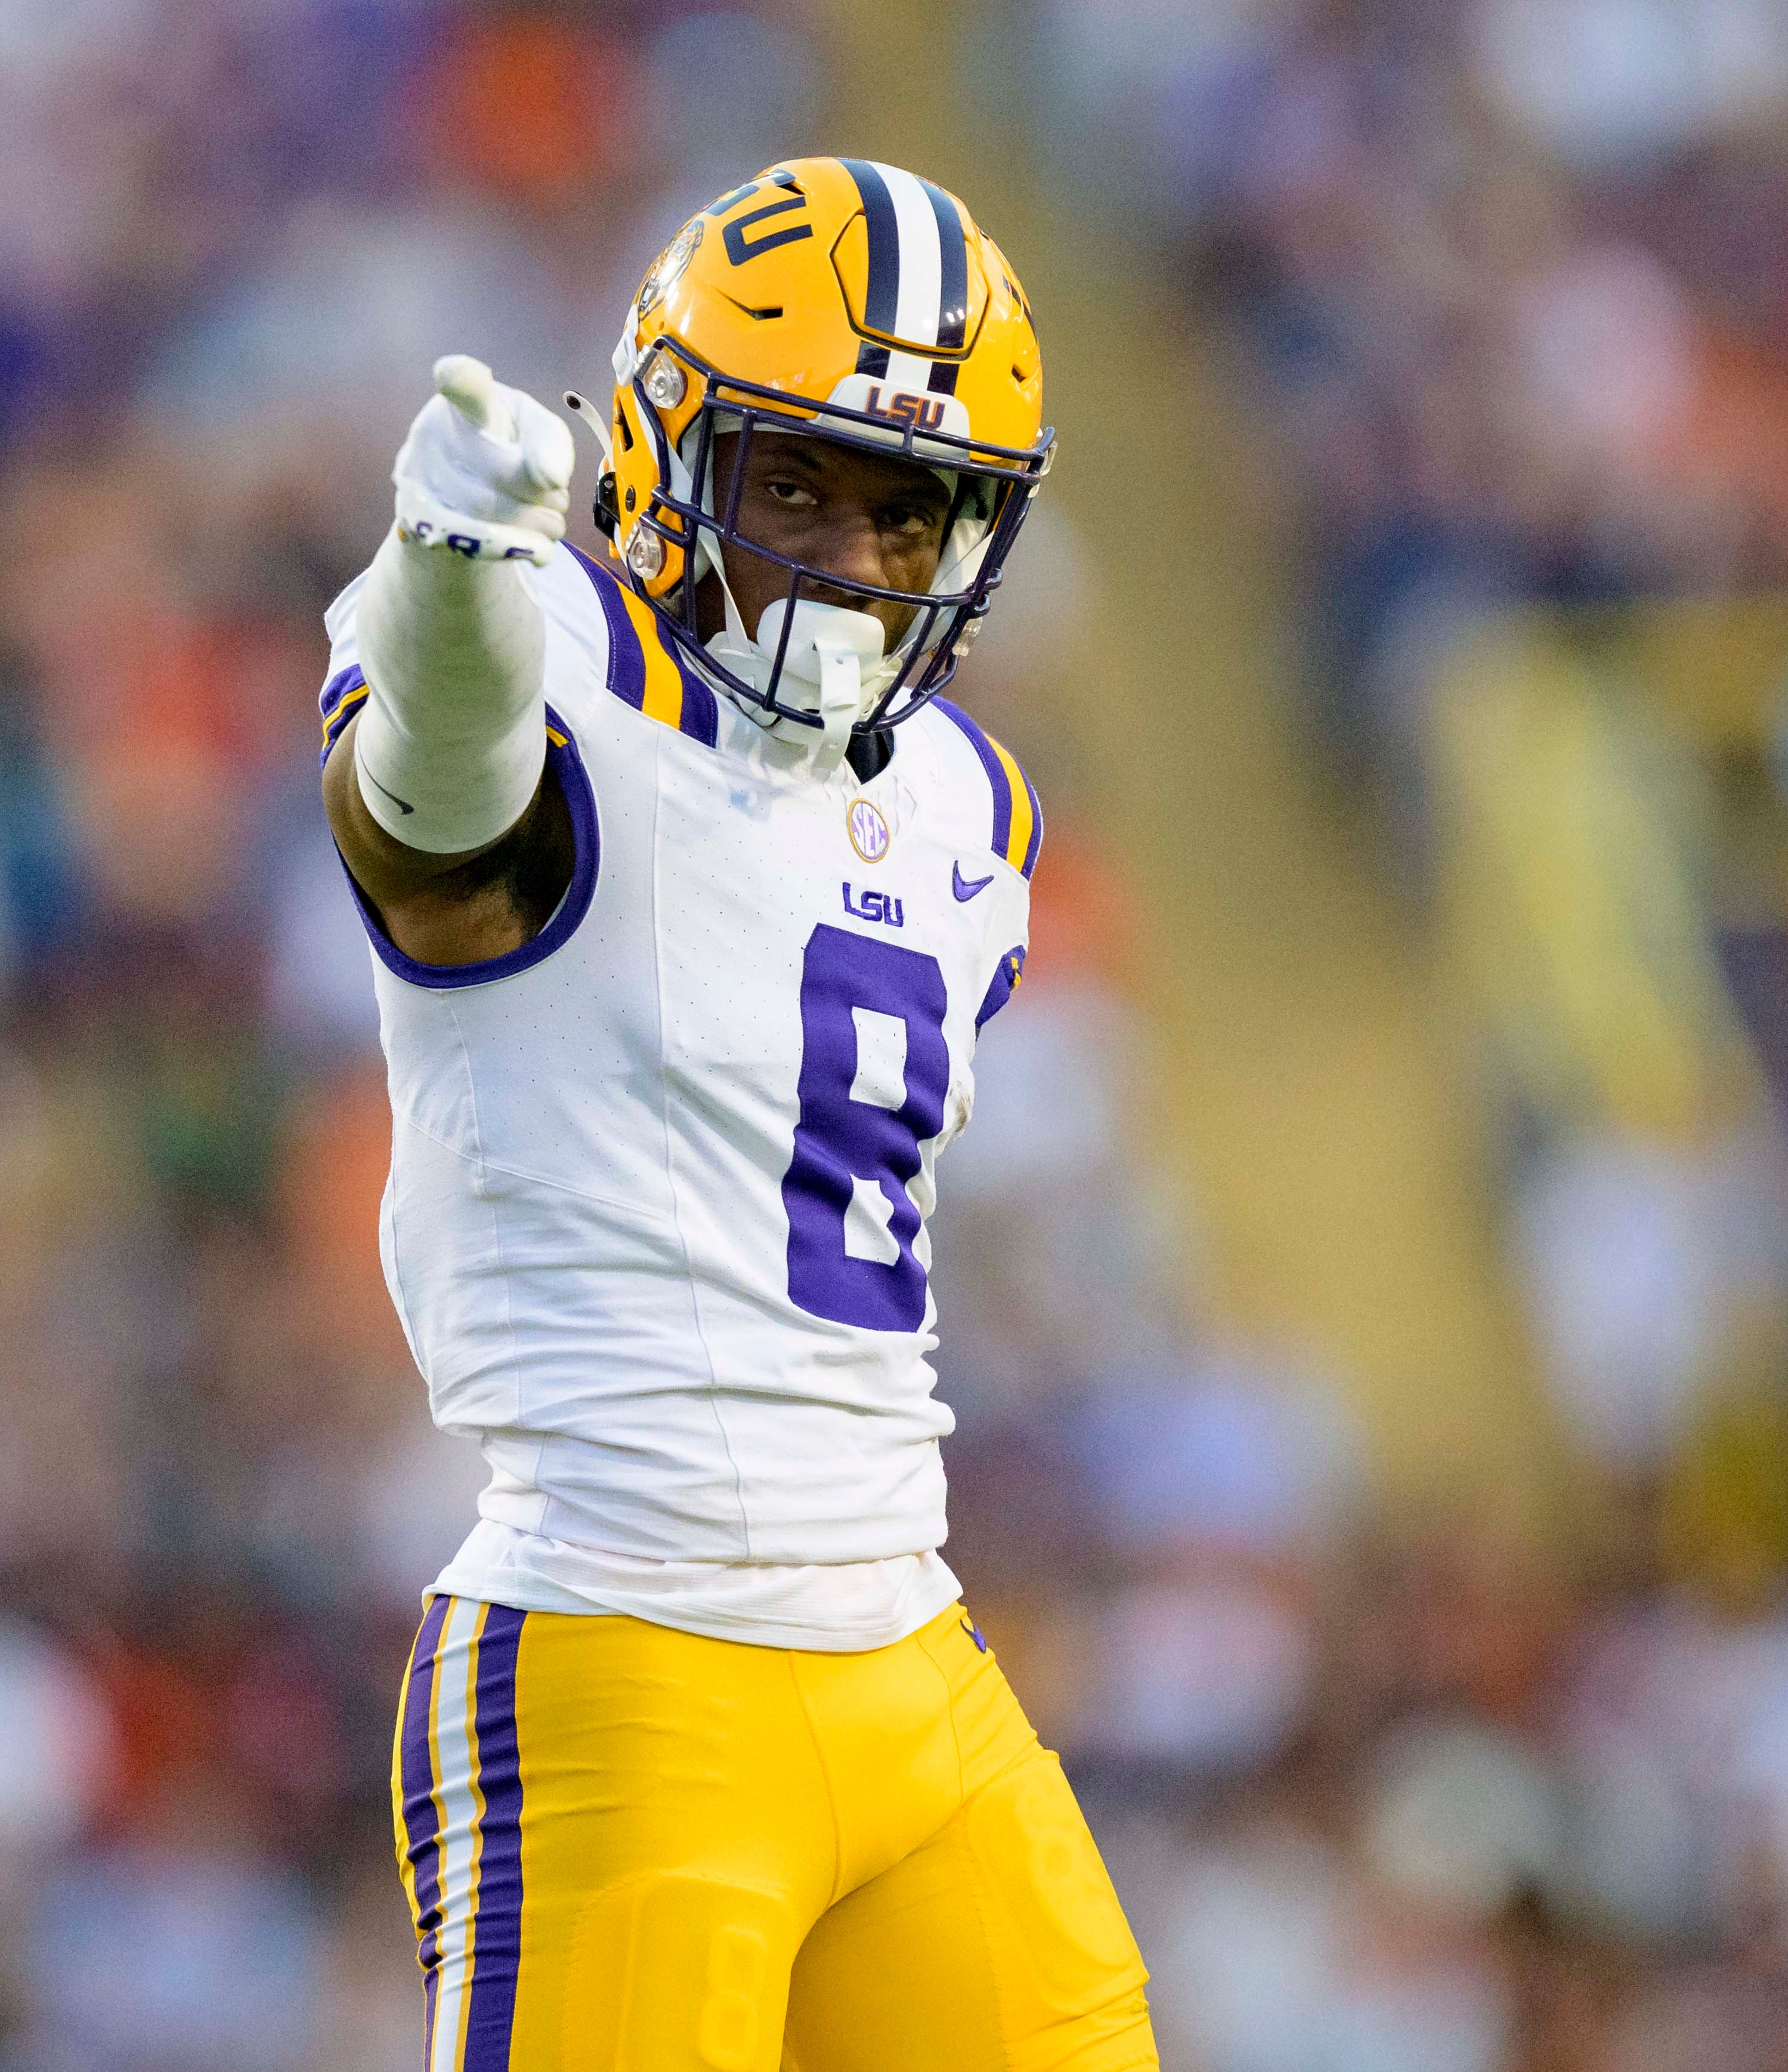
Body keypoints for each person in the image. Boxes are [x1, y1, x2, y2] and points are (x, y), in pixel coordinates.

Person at [317, 157, 1159, 2071]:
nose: (852, 563)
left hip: (908, 1660)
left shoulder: (970, 806)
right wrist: (448, 588)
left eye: (907, 510)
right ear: (660, 448)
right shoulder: (546, 660)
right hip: (628, 1654)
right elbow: (432, 827)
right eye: (794, 482)